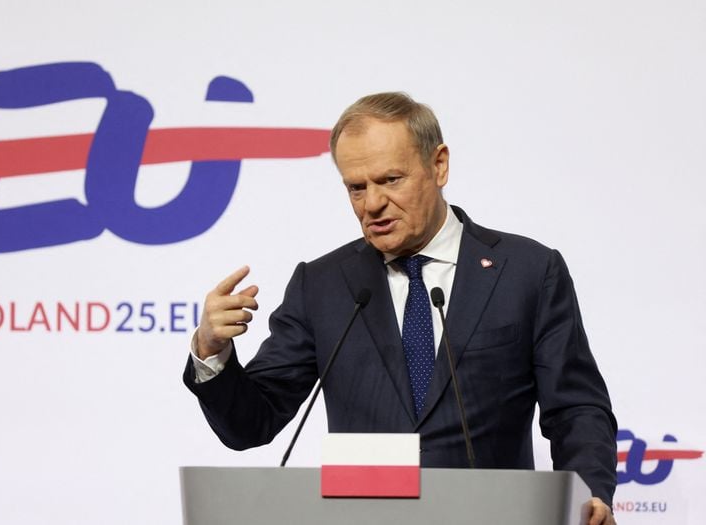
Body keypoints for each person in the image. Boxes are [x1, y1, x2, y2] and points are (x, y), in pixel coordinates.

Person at [184, 93, 618, 525]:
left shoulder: (527, 271)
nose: (372, 204)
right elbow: (250, 425)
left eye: (390, 179)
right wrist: (211, 351)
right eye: (356, 187)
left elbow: (575, 409)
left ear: (439, 165)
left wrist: (590, 496)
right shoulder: (322, 286)